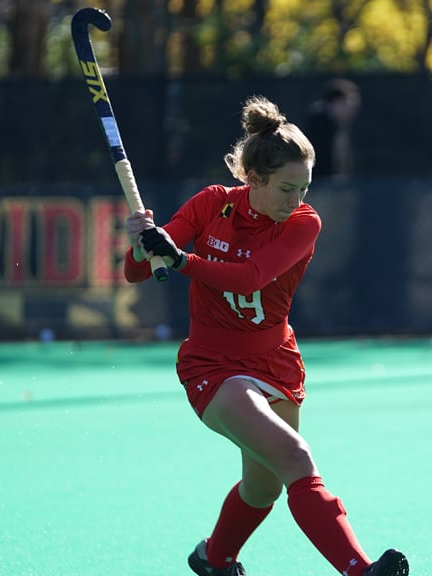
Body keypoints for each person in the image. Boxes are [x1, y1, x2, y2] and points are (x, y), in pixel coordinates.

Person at [123, 95, 409, 576]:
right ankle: (359, 571)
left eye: (304, 188)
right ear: (252, 179)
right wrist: (141, 243)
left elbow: (253, 276)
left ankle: (213, 559)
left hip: (275, 362)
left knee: (264, 487)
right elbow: (139, 271)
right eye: (285, 189)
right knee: (295, 456)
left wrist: (181, 261)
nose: (296, 201)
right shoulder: (212, 204)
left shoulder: (303, 224)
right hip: (213, 367)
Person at [304, 78, 361, 180]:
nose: (352, 111)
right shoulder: (317, 125)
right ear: (336, 103)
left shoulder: (334, 125)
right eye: (348, 105)